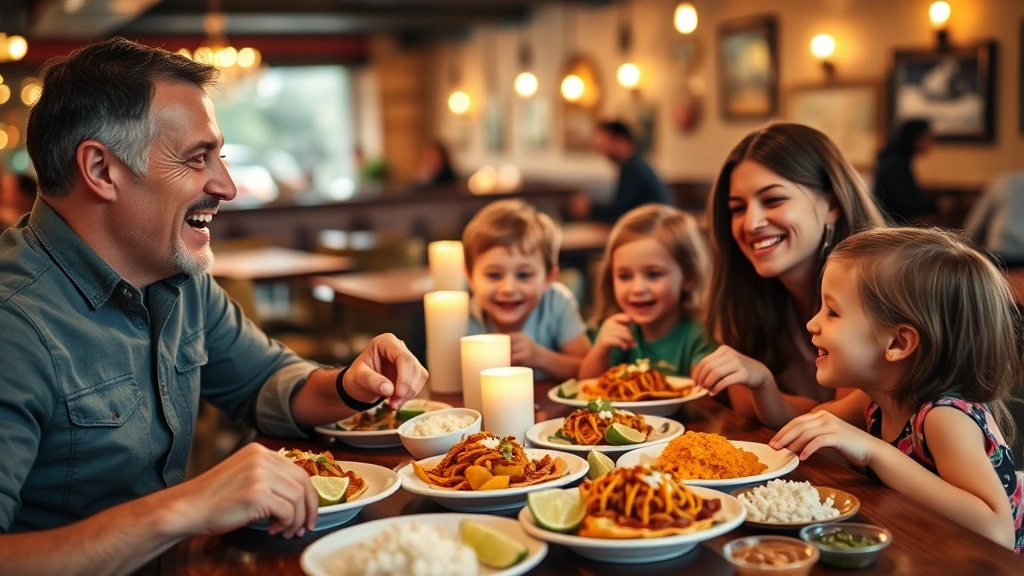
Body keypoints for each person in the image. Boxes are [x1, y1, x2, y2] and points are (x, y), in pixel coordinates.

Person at [0, 38, 428, 574]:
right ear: (101, 170)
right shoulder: (13, 326)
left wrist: (348, 384)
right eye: (196, 159)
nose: (225, 185)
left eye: (219, 156)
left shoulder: (176, 276)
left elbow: (269, 381)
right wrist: (188, 505)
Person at [771, 227, 1023, 552]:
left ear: (897, 343)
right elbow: (811, 429)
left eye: (832, 312)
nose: (812, 323)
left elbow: (995, 530)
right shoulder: (877, 397)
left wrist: (874, 451)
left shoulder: (943, 416)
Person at [694, 123, 887, 426]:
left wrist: (767, 388)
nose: (751, 223)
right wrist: (768, 390)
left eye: (773, 200)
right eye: (737, 208)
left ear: (832, 204)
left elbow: (849, 425)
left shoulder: (873, 289)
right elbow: (745, 404)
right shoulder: (746, 294)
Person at [579, 204, 716, 379]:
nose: (637, 289)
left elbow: (701, 399)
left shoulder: (699, 335)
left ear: (688, 279)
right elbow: (586, 386)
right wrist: (600, 350)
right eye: (625, 276)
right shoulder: (616, 329)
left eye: (653, 275)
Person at [463, 199, 590, 381]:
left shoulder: (557, 303)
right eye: (493, 275)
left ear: (548, 278)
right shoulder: (463, 316)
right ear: (469, 275)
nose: (508, 289)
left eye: (523, 275)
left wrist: (540, 357)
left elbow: (587, 369)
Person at [568, 120, 671, 223]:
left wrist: (589, 207)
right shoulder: (635, 164)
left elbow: (619, 213)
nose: (601, 149)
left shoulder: (633, 168)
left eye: (604, 142)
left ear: (621, 140)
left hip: (654, 230)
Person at [873, 119, 936, 223]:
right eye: (928, 137)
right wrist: (936, 206)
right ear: (915, 138)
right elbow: (903, 204)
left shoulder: (898, 159)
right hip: (890, 226)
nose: (931, 142)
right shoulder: (895, 163)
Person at [963, 170, 1024, 266]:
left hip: (1001, 256)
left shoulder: (1002, 183)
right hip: (1003, 256)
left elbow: (973, 227)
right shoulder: (1003, 183)